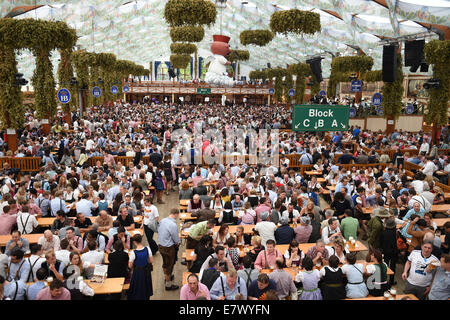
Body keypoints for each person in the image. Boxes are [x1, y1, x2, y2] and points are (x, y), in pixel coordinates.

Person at [157, 208, 181, 291]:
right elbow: (176, 238)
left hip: (160, 245)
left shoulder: (163, 220)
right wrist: (178, 242)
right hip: (168, 248)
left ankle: (167, 277)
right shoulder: (173, 225)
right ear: (176, 214)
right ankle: (168, 284)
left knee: (165, 263)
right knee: (169, 265)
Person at [127, 234, 153, 300]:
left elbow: (130, 266)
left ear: (134, 242)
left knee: (138, 288)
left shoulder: (133, 253)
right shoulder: (148, 249)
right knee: (146, 286)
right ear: (141, 240)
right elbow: (151, 260)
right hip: (146, 271)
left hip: (137, 272)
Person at [379, 218, 399, 286]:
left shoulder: (383, 233)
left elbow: (380, 242)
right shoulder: (395, 232)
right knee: (393, 267)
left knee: (385, 266)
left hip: (385, 251)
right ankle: (391, 281)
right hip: (394, 251)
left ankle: (384, 280)